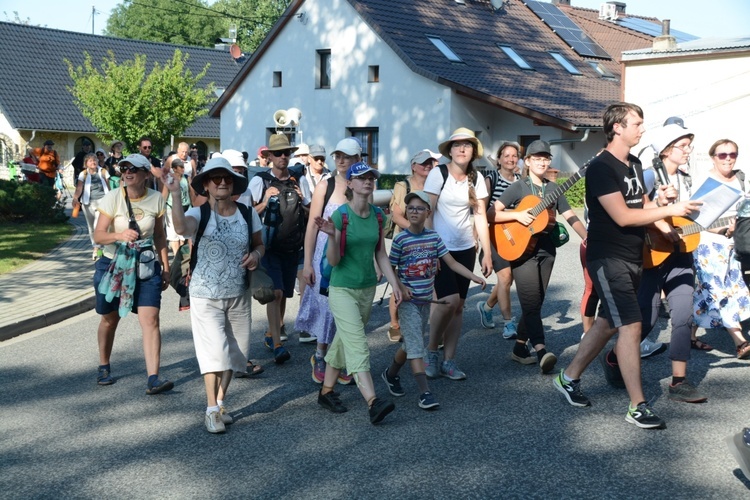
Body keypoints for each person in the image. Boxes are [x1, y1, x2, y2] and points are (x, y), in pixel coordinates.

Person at [552, 102, 701, 429]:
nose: (642, 129)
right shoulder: (601, 168)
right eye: (636, 123)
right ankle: (638, 405)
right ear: (617, 127)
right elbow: (622, 215)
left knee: (606, 323)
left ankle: (568, 377)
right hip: (608, 257)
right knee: (631, 327)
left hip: (634, 256)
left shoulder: (634, 163)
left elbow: (641, 203)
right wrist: (670, 209)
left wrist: (662, 209)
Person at [165, 156, 265, 433]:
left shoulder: (247, 212)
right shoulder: (200, 213)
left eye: (227, 179)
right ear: (206, 185)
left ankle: (221, 403)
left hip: (238, 293)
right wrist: (175, 193)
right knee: (215, 351)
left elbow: (259, 243)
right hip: (204, 294)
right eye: (216, 179)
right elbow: (181, 228)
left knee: (237, 353)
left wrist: (256, 255)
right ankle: (210, 409)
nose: (222, 183)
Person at [314, 161, 403, 424]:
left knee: (344, 339)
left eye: (371, 178)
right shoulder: (340, 216)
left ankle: (326, 391)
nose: (368, 181)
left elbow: (380, 253)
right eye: (362, 178)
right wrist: (332, 235)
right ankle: (373, 401)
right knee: (357, 344)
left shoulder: (378, 215)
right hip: (342, 289)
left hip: (366, 289)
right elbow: (333, 260)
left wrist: (395, 284)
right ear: (350, 184)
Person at [384, 191, 486, 409]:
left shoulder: (433, 237)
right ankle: (425, 392)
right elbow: (390, 269)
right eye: (410, 207)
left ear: (428, 212)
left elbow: (452, 263)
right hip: (408, 302)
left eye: (420, 208)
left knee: (410, 342)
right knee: (417, 344)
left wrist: (474, 276)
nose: (414, 211)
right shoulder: (401, 239)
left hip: (425, 301)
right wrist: (400, 287)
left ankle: (390, 374)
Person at [492, 140, 587, 373]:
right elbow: (492, 213)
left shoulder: (554, 189)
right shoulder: (518, 186)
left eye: (545, 158)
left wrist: (588, 238)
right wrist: (518, 215)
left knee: (537, 301)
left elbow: (570, 216)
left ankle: (519, 347)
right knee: (531, 302)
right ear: (527, 162)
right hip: (521, 251)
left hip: (546, 250)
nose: (542, 162)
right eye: (537, 158)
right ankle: (542, 350)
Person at [633, 121, 708, 402]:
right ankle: (616, 358)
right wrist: (664, 217)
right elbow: (638, 210)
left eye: (690, 145)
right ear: (666, 150)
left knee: (684, 315)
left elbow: (688, 218)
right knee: (648, 319)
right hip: (653, 254)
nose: (688, 150)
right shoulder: (651, 176)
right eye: (683, 146)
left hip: (682, 253)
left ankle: (679, 381)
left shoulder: (688, 179)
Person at [92, 153, 173, 394]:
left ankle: (153, 378)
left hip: (146, 266)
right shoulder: (112, 198)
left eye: (134, 169)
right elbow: (98, 235)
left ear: (146, 174)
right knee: (110, 318)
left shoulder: (156, 199)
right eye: (124, 168)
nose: (128, 172)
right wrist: (119, 235)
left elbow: (160, 236)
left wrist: (166, 266)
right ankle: (104, 365)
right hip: (112, 266)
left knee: (150, 319)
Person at [423, 128, 493, 381]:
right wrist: (430, 247)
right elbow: (427, 212)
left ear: (473, 151)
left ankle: (449, 361)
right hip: (440, 249)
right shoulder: (437, 173)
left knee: (459, 306)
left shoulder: (477, 178)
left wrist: (486, 252)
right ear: (449, 151)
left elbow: (481, 216)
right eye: (457, 145)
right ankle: (431, 351)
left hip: (466, 249)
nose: (462, 149)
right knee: (447, 302)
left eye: (467, 145)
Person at [297, 138, 361, 382]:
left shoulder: (362, 185)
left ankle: (339, 358)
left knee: (348, 308)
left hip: (352, 256)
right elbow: (312, 228)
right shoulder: (326, 185)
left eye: (347, 156)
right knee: (327, 307)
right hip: (325, 257)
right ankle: (321, 354)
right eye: (338, 155)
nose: (341, 160)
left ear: (357, 159)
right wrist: (308, 264)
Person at [248, 134, 311, 363]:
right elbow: (247, 213)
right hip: (269, 246)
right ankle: (277, 344)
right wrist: (265, 200)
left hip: (293, 245)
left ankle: (270, 333)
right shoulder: (260, 181)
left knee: (283, 292)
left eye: (286, 152)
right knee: (274, 293)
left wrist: (304, 202)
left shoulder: (298, 180)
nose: (283, 156)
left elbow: (310, 212)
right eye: (278, 153)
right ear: (269, 156)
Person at [692, 139, 750, 359]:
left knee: (707, 292)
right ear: (713, 157)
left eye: (732, 154)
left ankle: (689, 334)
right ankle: (740, 341)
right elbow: (693, 219)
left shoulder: (740, 180)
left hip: (734, 246)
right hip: (708, 244)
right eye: (722, 155)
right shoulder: (704, 181)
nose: (728, 159)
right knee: (721, 292)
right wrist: (724, 228)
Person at [386, 149, 438, 343]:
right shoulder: (403, 185)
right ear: (413, 166)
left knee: (426, 280)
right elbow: (397, 214)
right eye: (423, 163)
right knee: (402, 282)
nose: (427, 166)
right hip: (406, 242)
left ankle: (425, 324)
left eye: (430, 163)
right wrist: (415, 232)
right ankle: (394, 324)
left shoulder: (434, 184)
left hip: (426, 242)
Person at [478, 141, 521, 339]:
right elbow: (483, 213)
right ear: (499, 159)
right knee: (504, 278)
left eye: (514, 156)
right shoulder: (491, 178)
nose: (511, 159)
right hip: (494, 236)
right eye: (507, 155)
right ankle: (508, 323)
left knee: (508, 279)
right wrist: (476, 236)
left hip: (516, 237)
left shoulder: (521, 180)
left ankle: (486, 307)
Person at [72, 152, 110, 260]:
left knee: (97, 225)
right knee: (91, 227)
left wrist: (112, 198)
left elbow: (108, 185)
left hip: (102, 201)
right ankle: (96, 246)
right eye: (90, 160)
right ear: (86, 163)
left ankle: (97, 249)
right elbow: (79, 188)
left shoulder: (103, 171)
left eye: (95, 160)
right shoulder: (83, 174)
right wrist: (75, 198)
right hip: (88, 202)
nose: (93, 162)